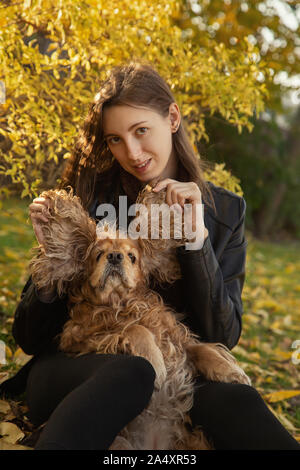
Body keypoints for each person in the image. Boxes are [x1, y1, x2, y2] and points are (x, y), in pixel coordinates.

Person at [1, 61, 299, 451]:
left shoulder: (225, 212)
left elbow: (222, 335)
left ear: (172, 117)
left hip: (177, 371)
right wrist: (51, 264)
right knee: (133, 372)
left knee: (239, 401)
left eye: (141, 131)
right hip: (76, 370)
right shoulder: (88, 194)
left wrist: (195, 240)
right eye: (115, 139)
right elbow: (29, 338)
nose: (132, 152)